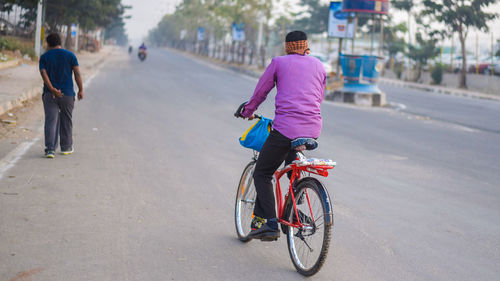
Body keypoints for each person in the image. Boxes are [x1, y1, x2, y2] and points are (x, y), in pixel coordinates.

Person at [240, 31, 326, 240]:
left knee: (263, 172)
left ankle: (270, 224)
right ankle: (295, 205)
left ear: (287, 46)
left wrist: (247, 111)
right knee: (292, 168)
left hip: (286, 129)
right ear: (306, 45)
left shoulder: (279, 62)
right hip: (312, 128)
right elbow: (319, 96)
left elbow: (261, 91)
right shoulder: (319, 65)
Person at [39, 33, 83, 158]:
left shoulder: (44, 57)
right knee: (66, 120)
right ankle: (66, 147)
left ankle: (50, 149)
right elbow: (77, 74)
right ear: (60, 42)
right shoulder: (70, 55)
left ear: (48, 44)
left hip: (50, 95)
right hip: (67, 94)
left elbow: (43, 73)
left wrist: (52, 89)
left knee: (50, 121)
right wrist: (81, 90)